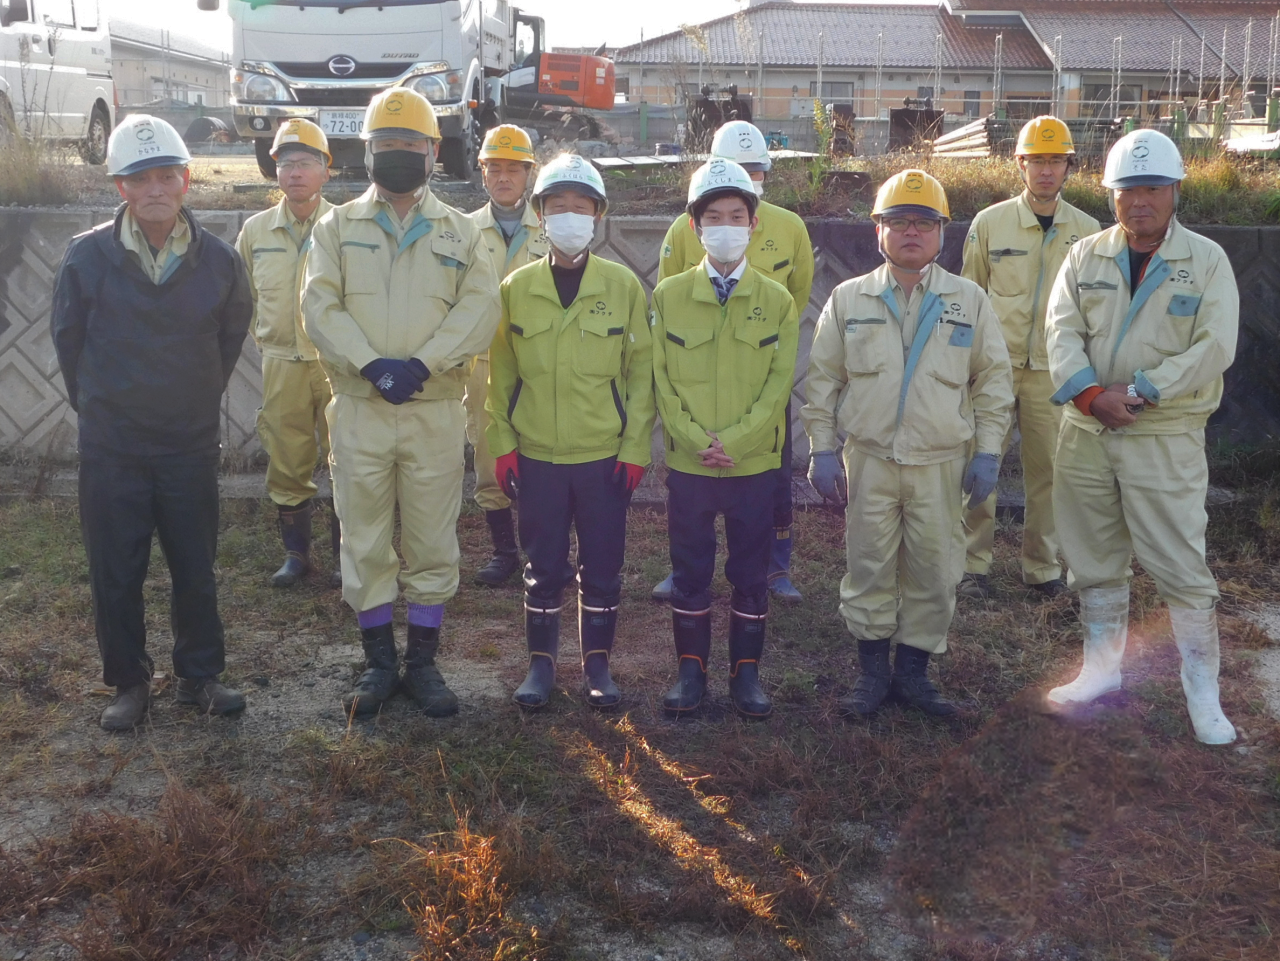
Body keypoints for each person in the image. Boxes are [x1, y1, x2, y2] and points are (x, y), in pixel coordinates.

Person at [51, 115, 254, 731]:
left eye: (168, 174)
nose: (156, 189)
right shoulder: (87, 257)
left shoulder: (218, 261)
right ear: (121, 187)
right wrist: (104, 409)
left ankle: (199, 677)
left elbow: (229, 337)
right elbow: (68, 341)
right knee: (116, 568)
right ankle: (129, 683)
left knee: (195, 564)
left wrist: (192, 400)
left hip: (187, 444)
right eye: (141, 179)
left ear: (187, 180)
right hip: (112, 445)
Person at [302, 87, 500, 718]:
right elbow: (317, 305)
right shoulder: (335, 228)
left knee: (433, 540)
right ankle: (379, 665)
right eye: (385, 145)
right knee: (363, 539)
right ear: (366, 152)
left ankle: (424, 663)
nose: (397, 155)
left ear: (434, 152)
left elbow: (480, 309)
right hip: (360, 409)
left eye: (409, 145)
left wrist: (419, 365)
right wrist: (370, 365)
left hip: (433, 412)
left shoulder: (462, 232)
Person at [1043, 129, 1239, 745]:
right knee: (1093, 557)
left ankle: (1203, 694)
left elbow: (1216, 345)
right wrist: (1089, 394)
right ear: (1110, 195)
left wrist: (1147, 389)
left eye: (1153, 188)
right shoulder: (1085, 256)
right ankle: (1102, 671)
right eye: (1127, 189)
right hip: (1086, 429)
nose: (1140, 202)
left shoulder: (1205, 260)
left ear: (1175, 190)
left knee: (1181, 564)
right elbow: (1059, 331)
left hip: (1164, 434)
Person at [801, 170, 1014, 719]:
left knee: (936, 569)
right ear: (879, 230)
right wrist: (822, 449)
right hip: (868, 458)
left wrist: (989, 451)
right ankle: (872, 674)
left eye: (923, 222)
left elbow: (992, 382)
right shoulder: (848, 299)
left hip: (941, 463)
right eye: (899, 222)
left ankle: (914, 676)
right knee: (868, 563)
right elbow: (822, 380)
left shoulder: (969, 301)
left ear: (943, 233)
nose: (911, 233)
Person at [486, 154, 654, 710]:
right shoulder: (516, 289)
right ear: (540, 216)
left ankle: (598, 666)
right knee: (543, 564)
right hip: (537, 455)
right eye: (558, 208)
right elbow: (501, 374)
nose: (569, 218)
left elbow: (640, 375)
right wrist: (503, 444)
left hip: (602, 455)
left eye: (581, 208)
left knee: (603, 563)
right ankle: (541, 665)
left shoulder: (623, 286)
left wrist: (634, 449)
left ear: (599, 216)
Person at [651, 158, 800, 718]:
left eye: (737, 215)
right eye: (713, 217)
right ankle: (690, 672)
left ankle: (746, 675)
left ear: (754, 223)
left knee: (749, 573)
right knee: (689, 571)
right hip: (691, 467)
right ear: (695, 227)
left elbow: (778, 384)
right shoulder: (668, 297)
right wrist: (693, 439)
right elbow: (662, 381)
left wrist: (736, 438)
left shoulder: (778, 301)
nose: (726, 226)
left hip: (753, 464)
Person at [652, 120, 814, 604]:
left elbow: (797, 296)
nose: (746, 177)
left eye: (754, 170)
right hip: (696, 375)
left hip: (758, 368)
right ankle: (682, 569)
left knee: (774, 478)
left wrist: (762, 344)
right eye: (736, 168)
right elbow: (669, 295)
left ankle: (774, 568)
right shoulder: (683, 229)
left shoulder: (789, 226)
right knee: (687, 491)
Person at [958, 116, 1101, 600]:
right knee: (982, 464)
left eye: (1055, 160)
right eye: (1036, 160)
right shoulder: (989, 223)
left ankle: (1041, 569)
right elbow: (969, 297)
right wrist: (966, 364)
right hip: (993, 369)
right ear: (1019, 164)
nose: (1045, 171)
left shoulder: (1087, 232)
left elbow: (1092, 308)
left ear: (1068, 167)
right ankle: (971, 564)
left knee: (1050, 475)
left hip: (1053, 371)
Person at [235, 119, 339, 589]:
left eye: (306, 163)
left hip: (338, 366)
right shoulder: (255, 231)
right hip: (280, 362)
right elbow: (244, 298)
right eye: (286, 163)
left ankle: (346, 556)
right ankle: (297, 556)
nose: (295, 173)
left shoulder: (345, 226)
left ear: (326, 171)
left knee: (349, 459)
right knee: (287, 459)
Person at [464, 124, 548, 586]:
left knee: (538, 457)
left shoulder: (550, 227)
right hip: (481, 364)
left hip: (536, 363)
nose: (503, 177)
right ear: (482, 174)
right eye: (493, 167)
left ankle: (540, 549)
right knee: (487, 455)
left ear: (528, 174)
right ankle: (503, 552)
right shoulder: (462, 231)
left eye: (512, 168)